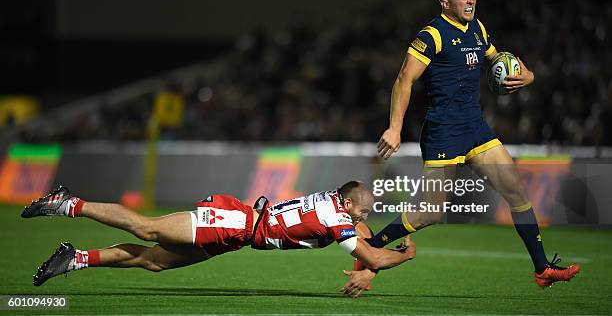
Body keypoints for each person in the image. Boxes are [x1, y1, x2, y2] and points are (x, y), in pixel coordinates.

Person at [343, 0, 580, 294]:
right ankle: (369, 252)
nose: (470, 1)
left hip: (475, 128)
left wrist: (528, 76)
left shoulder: (478, 29)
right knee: (430, 212)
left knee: (516, 191)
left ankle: (543, 269)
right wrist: (395, 127)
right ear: (446, 3)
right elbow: (404, 79)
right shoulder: (432, 35)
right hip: (443, 132)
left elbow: (498, 60)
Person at [21, 181, 415, 289]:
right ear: (347, 205)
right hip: (235, 222)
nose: (366, 217)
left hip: (239, 233)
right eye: (364, 210)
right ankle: (69, 203)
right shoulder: (336, 216)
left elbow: (362, 235)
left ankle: (72, 258)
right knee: (148, 227)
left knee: (155, 262)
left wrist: (371, 249)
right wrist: (398, 258)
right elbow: (373, 254)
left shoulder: (335, 201)